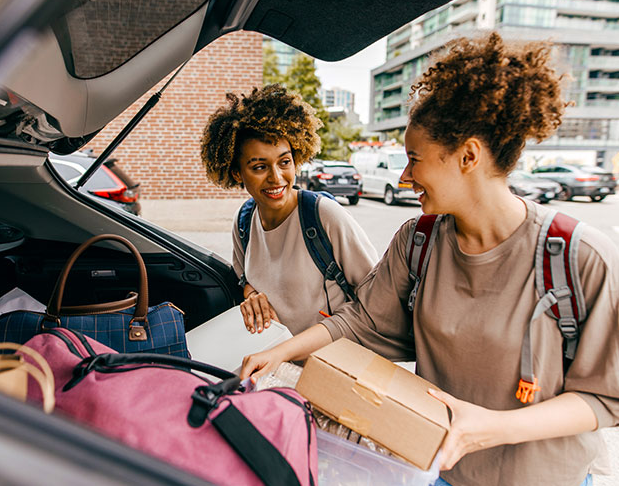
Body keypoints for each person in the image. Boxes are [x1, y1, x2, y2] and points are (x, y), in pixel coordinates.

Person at [240, 33, 619, 486]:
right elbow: (359, 321)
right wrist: (278, 353)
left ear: (468, 156)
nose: (403, 177)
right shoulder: (417, 242)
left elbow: (606, 400)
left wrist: (491, 428)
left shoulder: (579, 257)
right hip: (439, 473)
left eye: (414, 159)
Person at [199, 84, 378, 335]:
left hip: (328, 362)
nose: (276, 177)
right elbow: (244, 279)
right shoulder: (244, 220)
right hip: (272, 362)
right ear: (237, 172)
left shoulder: (324, 216)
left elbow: (376, 298)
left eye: (285, 162)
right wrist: (251, 295)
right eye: (259, 167)